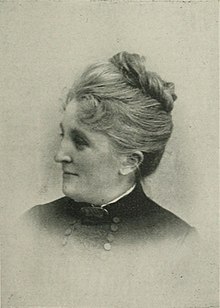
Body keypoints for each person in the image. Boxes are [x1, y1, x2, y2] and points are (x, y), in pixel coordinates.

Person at [6, 52, 198, 307]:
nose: (60, 155)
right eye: (63, 136)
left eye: (80, 142)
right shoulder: (33, 224)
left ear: (129, 161)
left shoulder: (176, 242)